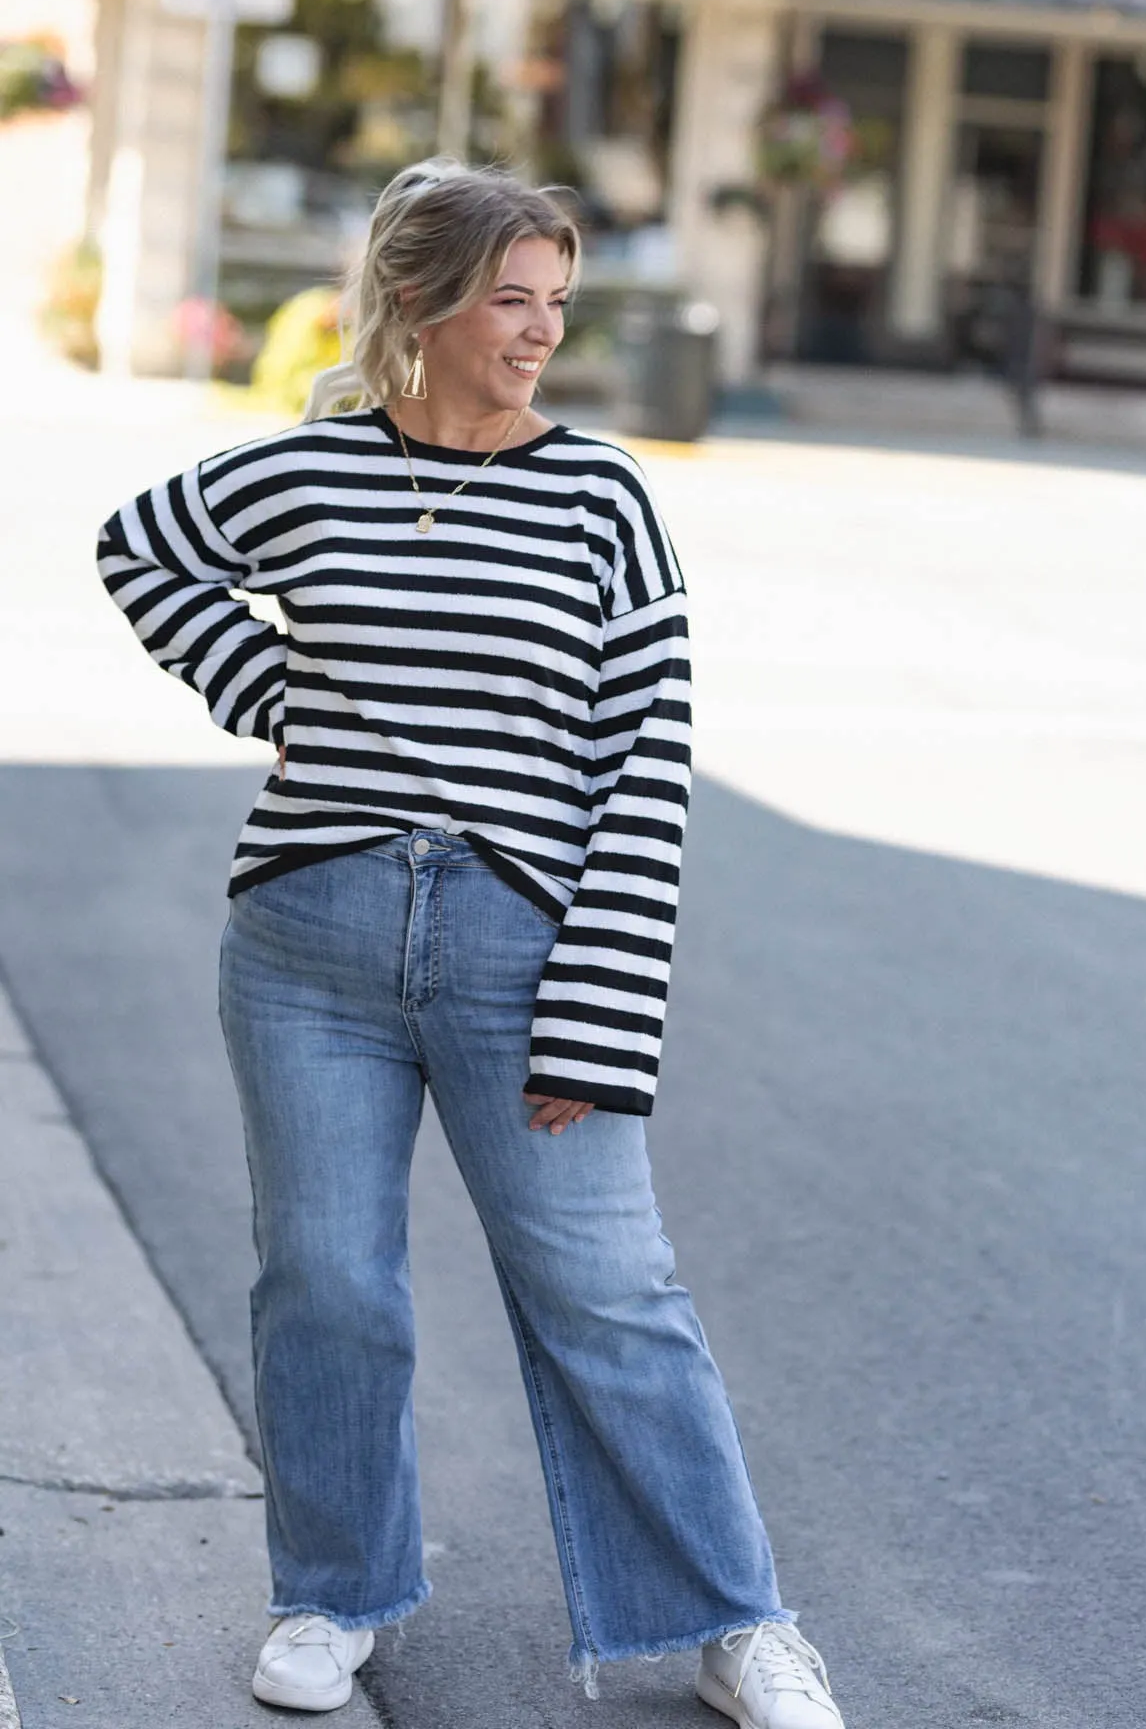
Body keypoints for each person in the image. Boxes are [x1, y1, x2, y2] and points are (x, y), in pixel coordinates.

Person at [96, 160, 843, 1727]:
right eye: (513, 299)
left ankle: (733, 1618)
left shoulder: (601, 496)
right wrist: (273, 694)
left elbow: (646, 765)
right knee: (324, 1283)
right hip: (307, 944)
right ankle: (331, 1596)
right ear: (421, 303)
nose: (540, 332)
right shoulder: (308, 474)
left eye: (557, 301)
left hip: (521, 946)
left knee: (609, 1289)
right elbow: (139, 548)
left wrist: (600, 1015)